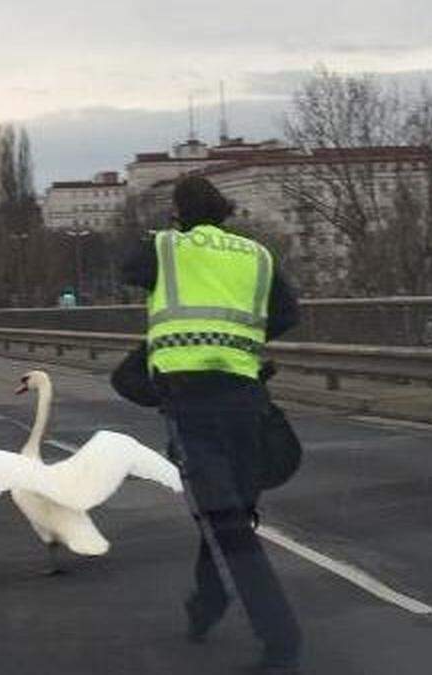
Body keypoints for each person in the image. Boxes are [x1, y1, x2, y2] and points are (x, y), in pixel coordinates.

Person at [121, 176, 303, 673]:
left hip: (190, 405)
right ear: (224, 210)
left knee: (225, 523)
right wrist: (237, 339)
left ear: (178, 212)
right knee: (228, 513)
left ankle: (281, 641)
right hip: (247, 402)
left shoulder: (163, 247)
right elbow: (287, 312)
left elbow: (127, 269)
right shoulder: (257, 255)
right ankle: (207, 605)